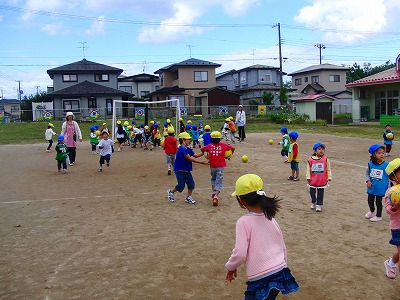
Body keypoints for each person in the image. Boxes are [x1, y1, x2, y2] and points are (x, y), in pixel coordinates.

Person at [225, 174, 299, 299]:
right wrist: (283, 264)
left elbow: (240, 253)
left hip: (261, 277)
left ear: (240, 200)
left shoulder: (243, 222)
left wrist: (231, 267)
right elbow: (282, 245)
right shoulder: (269, 216)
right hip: (280, 271)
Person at [167, 132, 208, 204]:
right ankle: (171, 192)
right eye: (188, 139)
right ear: (183, 140)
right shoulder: (181, 149)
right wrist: (201, 162)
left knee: (191, 184)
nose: (190, 141)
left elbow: (195, 155)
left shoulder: (187, 148)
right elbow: (189, 158)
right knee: (181, 185)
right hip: (179, 170)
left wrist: (203, 152)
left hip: (186, 170)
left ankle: (188, 197)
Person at [201, 131, 235, 206]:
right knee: (219, 181)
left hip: (212, 166)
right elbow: (233, 148)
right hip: (220, 166)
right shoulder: (224, 145)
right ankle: (216, 196)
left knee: (213, 179)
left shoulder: (209, 146)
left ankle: (213, 192)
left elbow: (203, 149)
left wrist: (207, 156)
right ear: (219, 139)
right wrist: (229, 156)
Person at [383, 158, 400, 278]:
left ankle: (391, 263)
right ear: (393, 177)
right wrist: (394, 208)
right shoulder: (392, 192)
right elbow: (388, 209)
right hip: (398, 226)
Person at [365, 144, 389, 221]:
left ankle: (379, 216)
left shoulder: (387, 165)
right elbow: (367, 173)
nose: (381, 154)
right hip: (372, 186)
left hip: (381, 187)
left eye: (383, 153)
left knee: (378, 201)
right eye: (379, 153)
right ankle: (372, 211)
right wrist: (368, 180)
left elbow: (391, 175)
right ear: (374, 155)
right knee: (370, 200)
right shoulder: (370, 164)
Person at [306, 142, 332, 212]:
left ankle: (319, 204)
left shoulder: (326, 159)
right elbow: (308, 169)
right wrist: (308, 177)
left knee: (320, 193)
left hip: (322, 179)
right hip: (313, 179)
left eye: (323, 149)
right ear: (315, 151)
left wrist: (329, 177)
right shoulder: (310, 160)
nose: (321, 151)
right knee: (312, 192)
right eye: (319, 149)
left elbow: (328, 169)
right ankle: (314, 201)